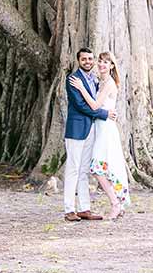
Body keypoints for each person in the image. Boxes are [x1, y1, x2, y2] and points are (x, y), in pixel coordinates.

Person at [68, 50, 130, 219]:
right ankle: (118, 203)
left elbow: (95, 106)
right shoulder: (99, 82)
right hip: (99, 128)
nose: (102, 64)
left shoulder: (109, 83)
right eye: (100, 61)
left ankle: (116, 204)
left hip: (106, 129)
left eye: (106, 62)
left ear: (112, 66)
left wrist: (81, 88)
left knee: (97, 169)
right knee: (102, 167)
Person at [63, 48, 115, 222]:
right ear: (78, 60)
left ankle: (85, 208)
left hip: (91, 130)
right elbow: (80, 106)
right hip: (77, 130)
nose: (87, 61)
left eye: (90, 59)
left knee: (84, 170)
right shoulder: (73, 79)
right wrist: (104, 114)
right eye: (84, 59)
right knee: (73, 169)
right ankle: (69, 209)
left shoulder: (94, 79)